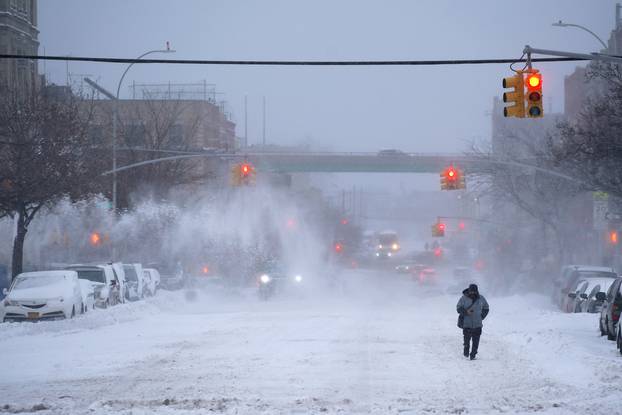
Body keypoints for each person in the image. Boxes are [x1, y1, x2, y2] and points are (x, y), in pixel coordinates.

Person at [456, 283, 490, 360]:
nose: (473, 293)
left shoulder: (481, 298)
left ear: (477, 291)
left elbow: (486, 307)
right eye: (471, 291)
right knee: (466, 340)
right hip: (466, 324)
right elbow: (458, 308)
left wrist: (481, 316)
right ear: (469, 290)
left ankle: (473, 354)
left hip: (478, 324)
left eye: (474, 291)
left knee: (476, 341)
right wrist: (466, 312)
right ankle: (466, 351)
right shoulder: (463, 298)